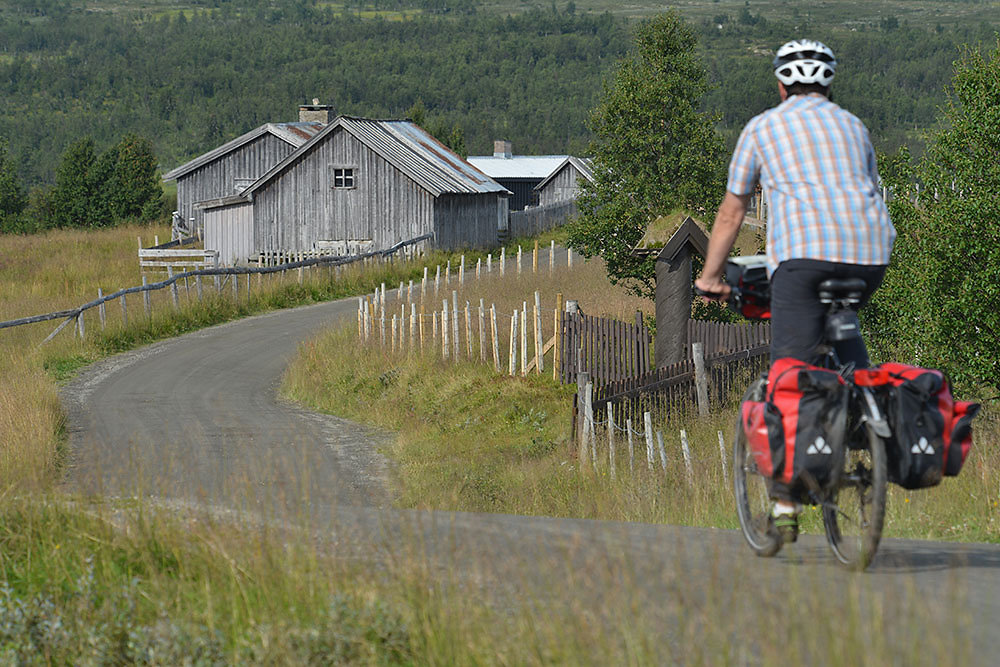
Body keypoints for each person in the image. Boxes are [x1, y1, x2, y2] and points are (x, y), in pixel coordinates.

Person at [695, 39, 896, 541]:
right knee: (843, 339)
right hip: (871, 256)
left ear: (781, 83)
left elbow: (732, 212)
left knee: (791, 371)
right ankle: (865, 409)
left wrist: (710, 277)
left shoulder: (762, 127)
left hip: (803, 262)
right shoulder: (854, 126)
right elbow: (868, 189)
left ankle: (785, 505)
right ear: (829, 83)